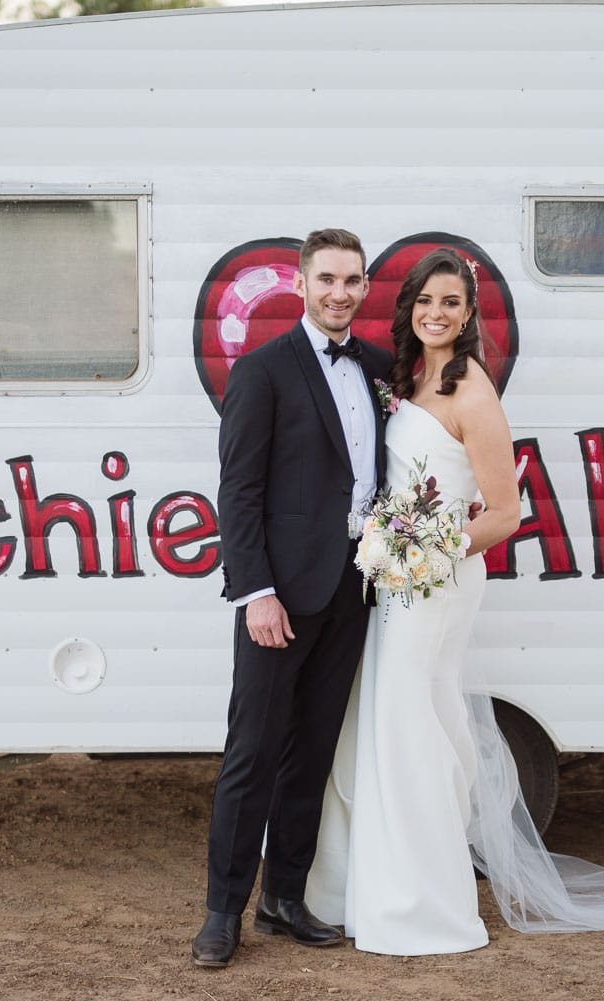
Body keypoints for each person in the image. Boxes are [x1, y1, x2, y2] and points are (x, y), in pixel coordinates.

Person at [304, 248, 604, 955]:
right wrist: (393, 545)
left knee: (413, 729)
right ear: (409, 308)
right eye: (426, 301)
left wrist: (424, 550)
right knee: (383, 727)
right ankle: (359, 891)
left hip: (433, 582)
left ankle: (423, 905)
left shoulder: (474, 392)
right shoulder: (414, 378)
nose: (437, 313)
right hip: (396, 579)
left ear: (470, 314)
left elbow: (505, 513)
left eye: (451, 302)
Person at [193, 228, 393, 968]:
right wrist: (256, 592)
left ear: (365, 287)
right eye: (328, 279)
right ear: (303, 284)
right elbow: (239, 491)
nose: (340, 292)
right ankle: (222, 912)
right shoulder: (262, 370)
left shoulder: (377, 367)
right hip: (278, 594)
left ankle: (284, 897)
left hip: (354, 586)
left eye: (353, 280)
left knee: (311, 750)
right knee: (253, 751)